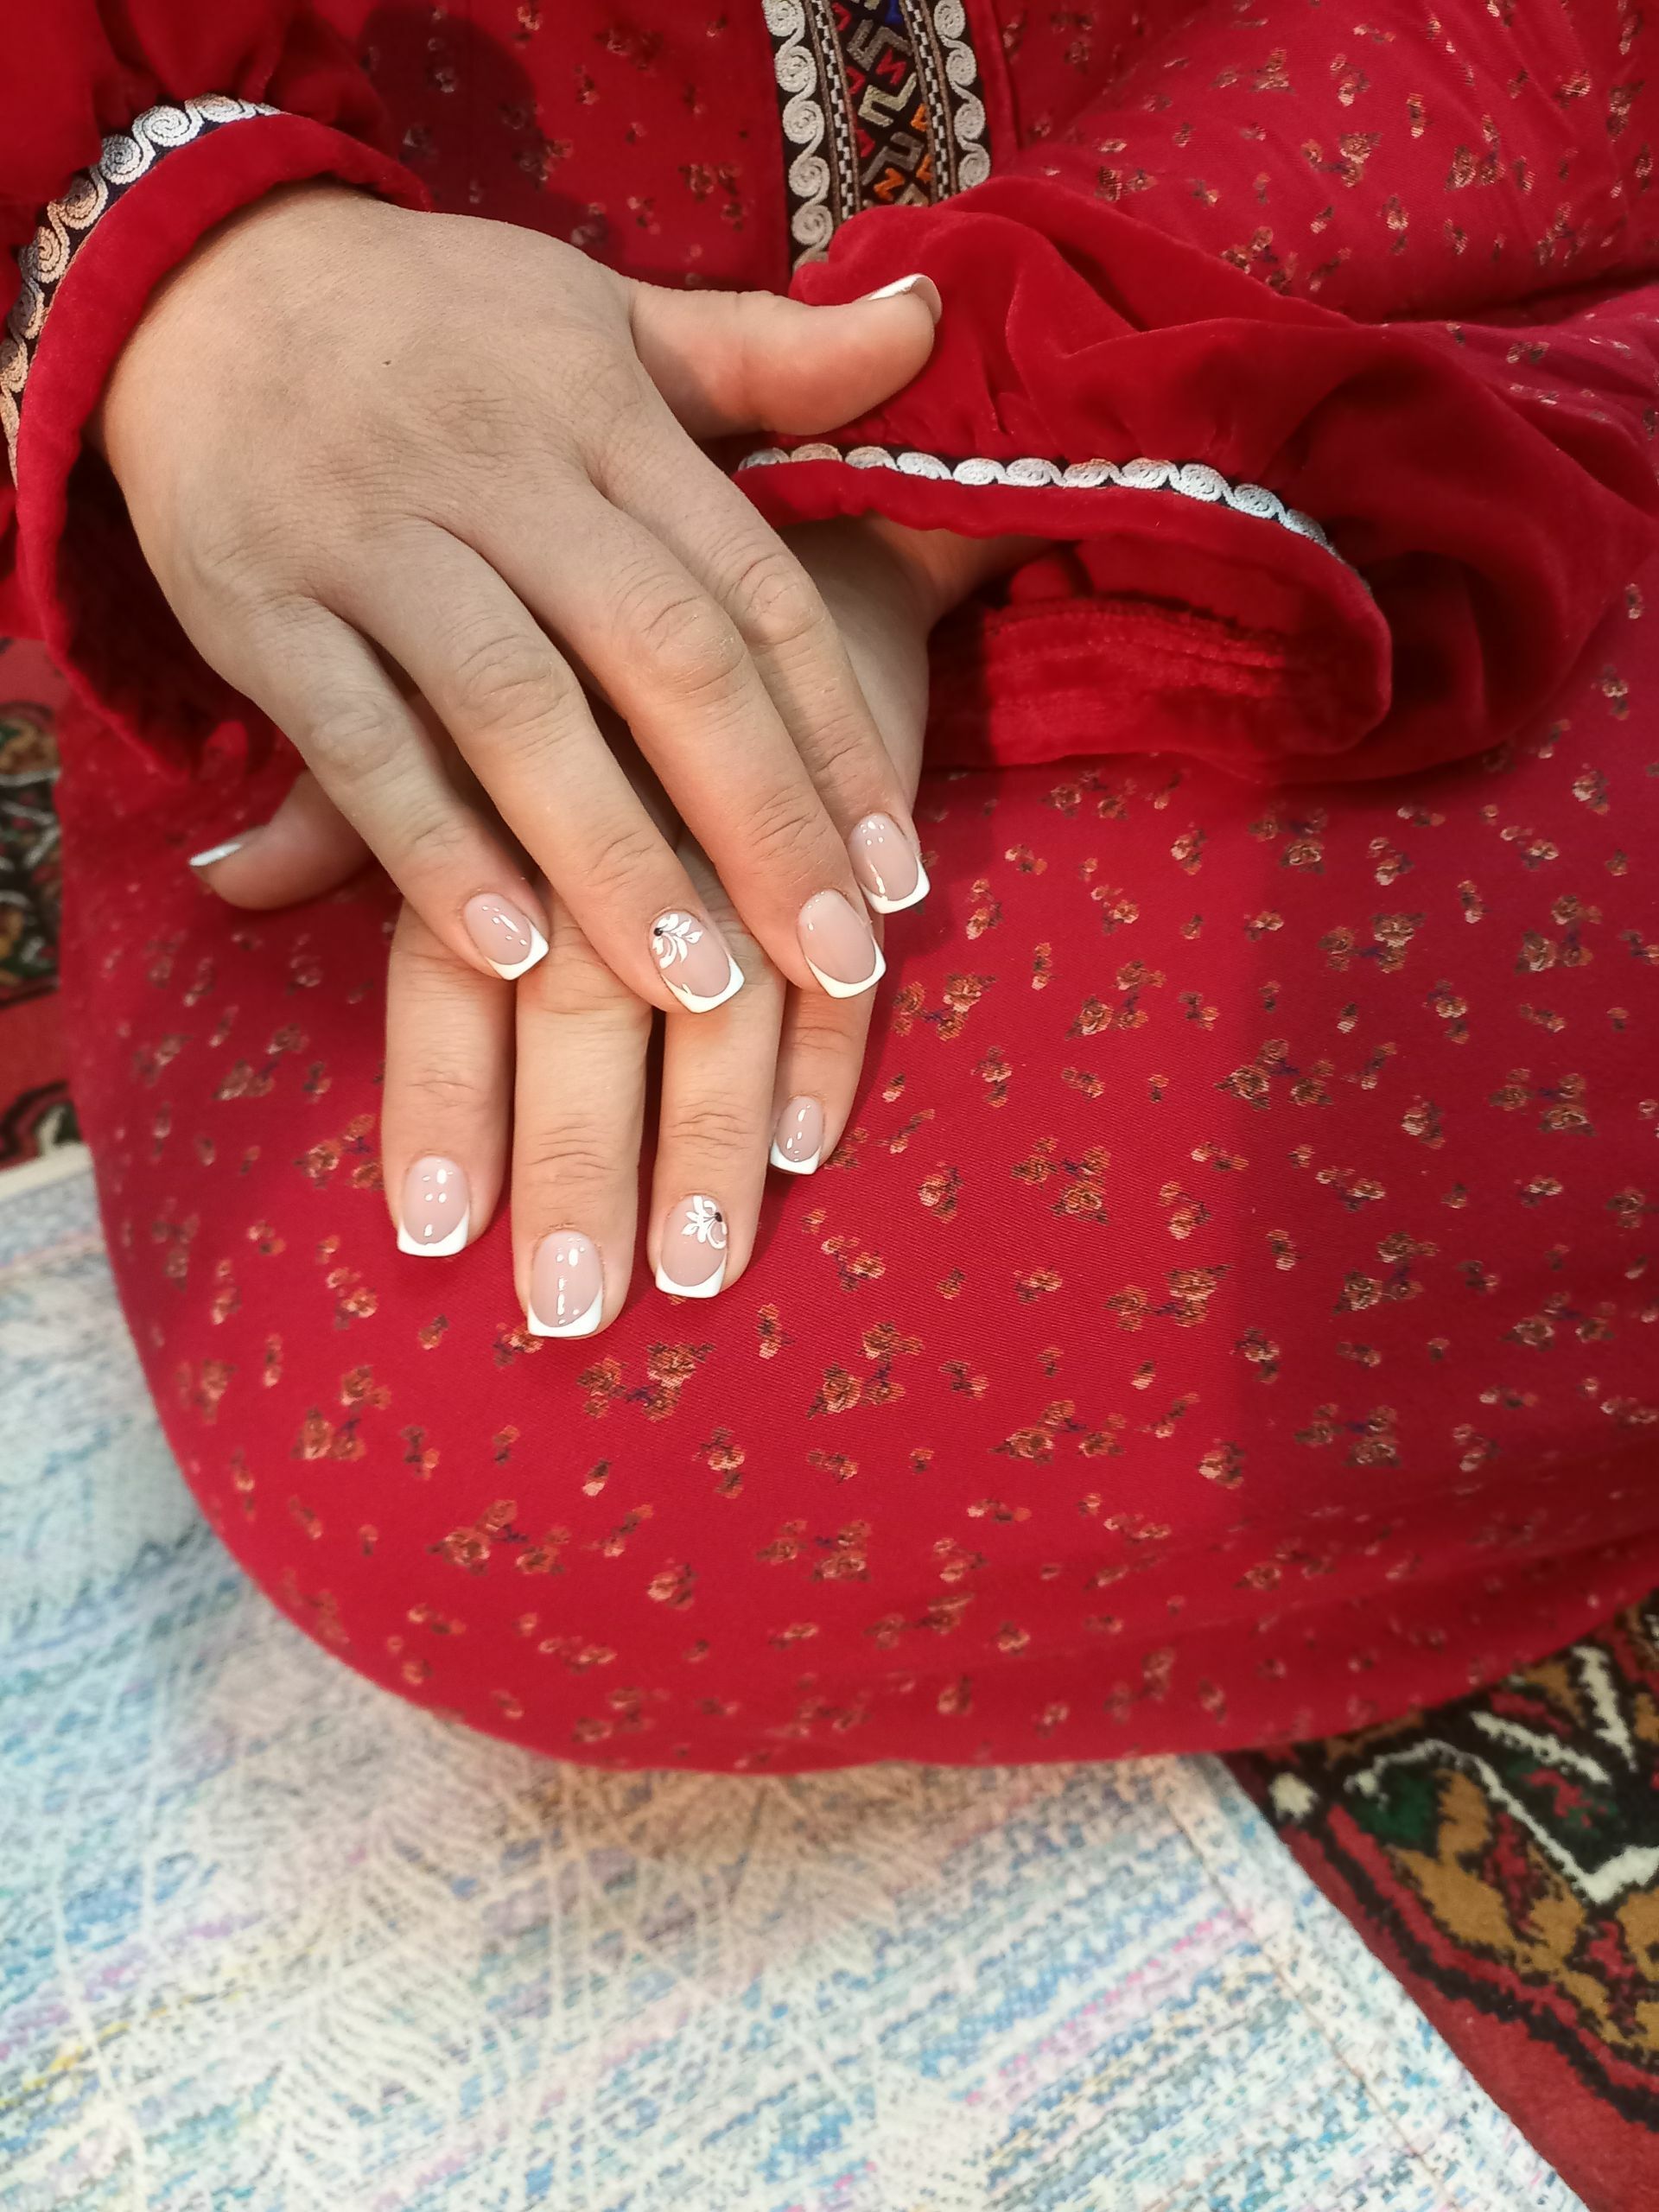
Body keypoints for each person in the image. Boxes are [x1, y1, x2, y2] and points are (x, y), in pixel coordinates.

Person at [4, 0, 1659, 1770]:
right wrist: (204, 281)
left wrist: (902, 494)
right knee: (462, 1428)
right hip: (341, 409)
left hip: (1354, 237)